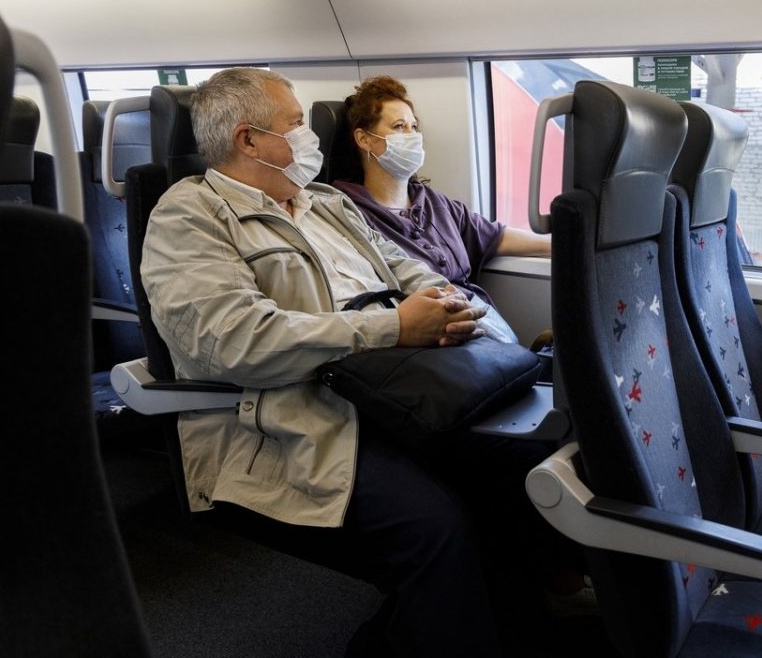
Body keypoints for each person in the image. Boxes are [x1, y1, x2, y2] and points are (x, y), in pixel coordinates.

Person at [140, 68, 558, 657]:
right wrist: (395, 327)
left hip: (386, 390)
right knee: (435, 526)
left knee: (520, 468)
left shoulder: (327, 203)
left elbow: (405, 267)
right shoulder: (188, 216)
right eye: (295, 124)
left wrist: (447, 303)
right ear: (249, 140)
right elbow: (234, 341)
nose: (311, 136)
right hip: (285, 418)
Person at [329, 76, 550, 323]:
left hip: (480, 315)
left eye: (414, 127)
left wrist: (561, 244)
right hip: (431, 330)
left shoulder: (432, 202)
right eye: (399, 127)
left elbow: (494, 236)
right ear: (364, 139)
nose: (412, 136)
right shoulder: (348, 213)